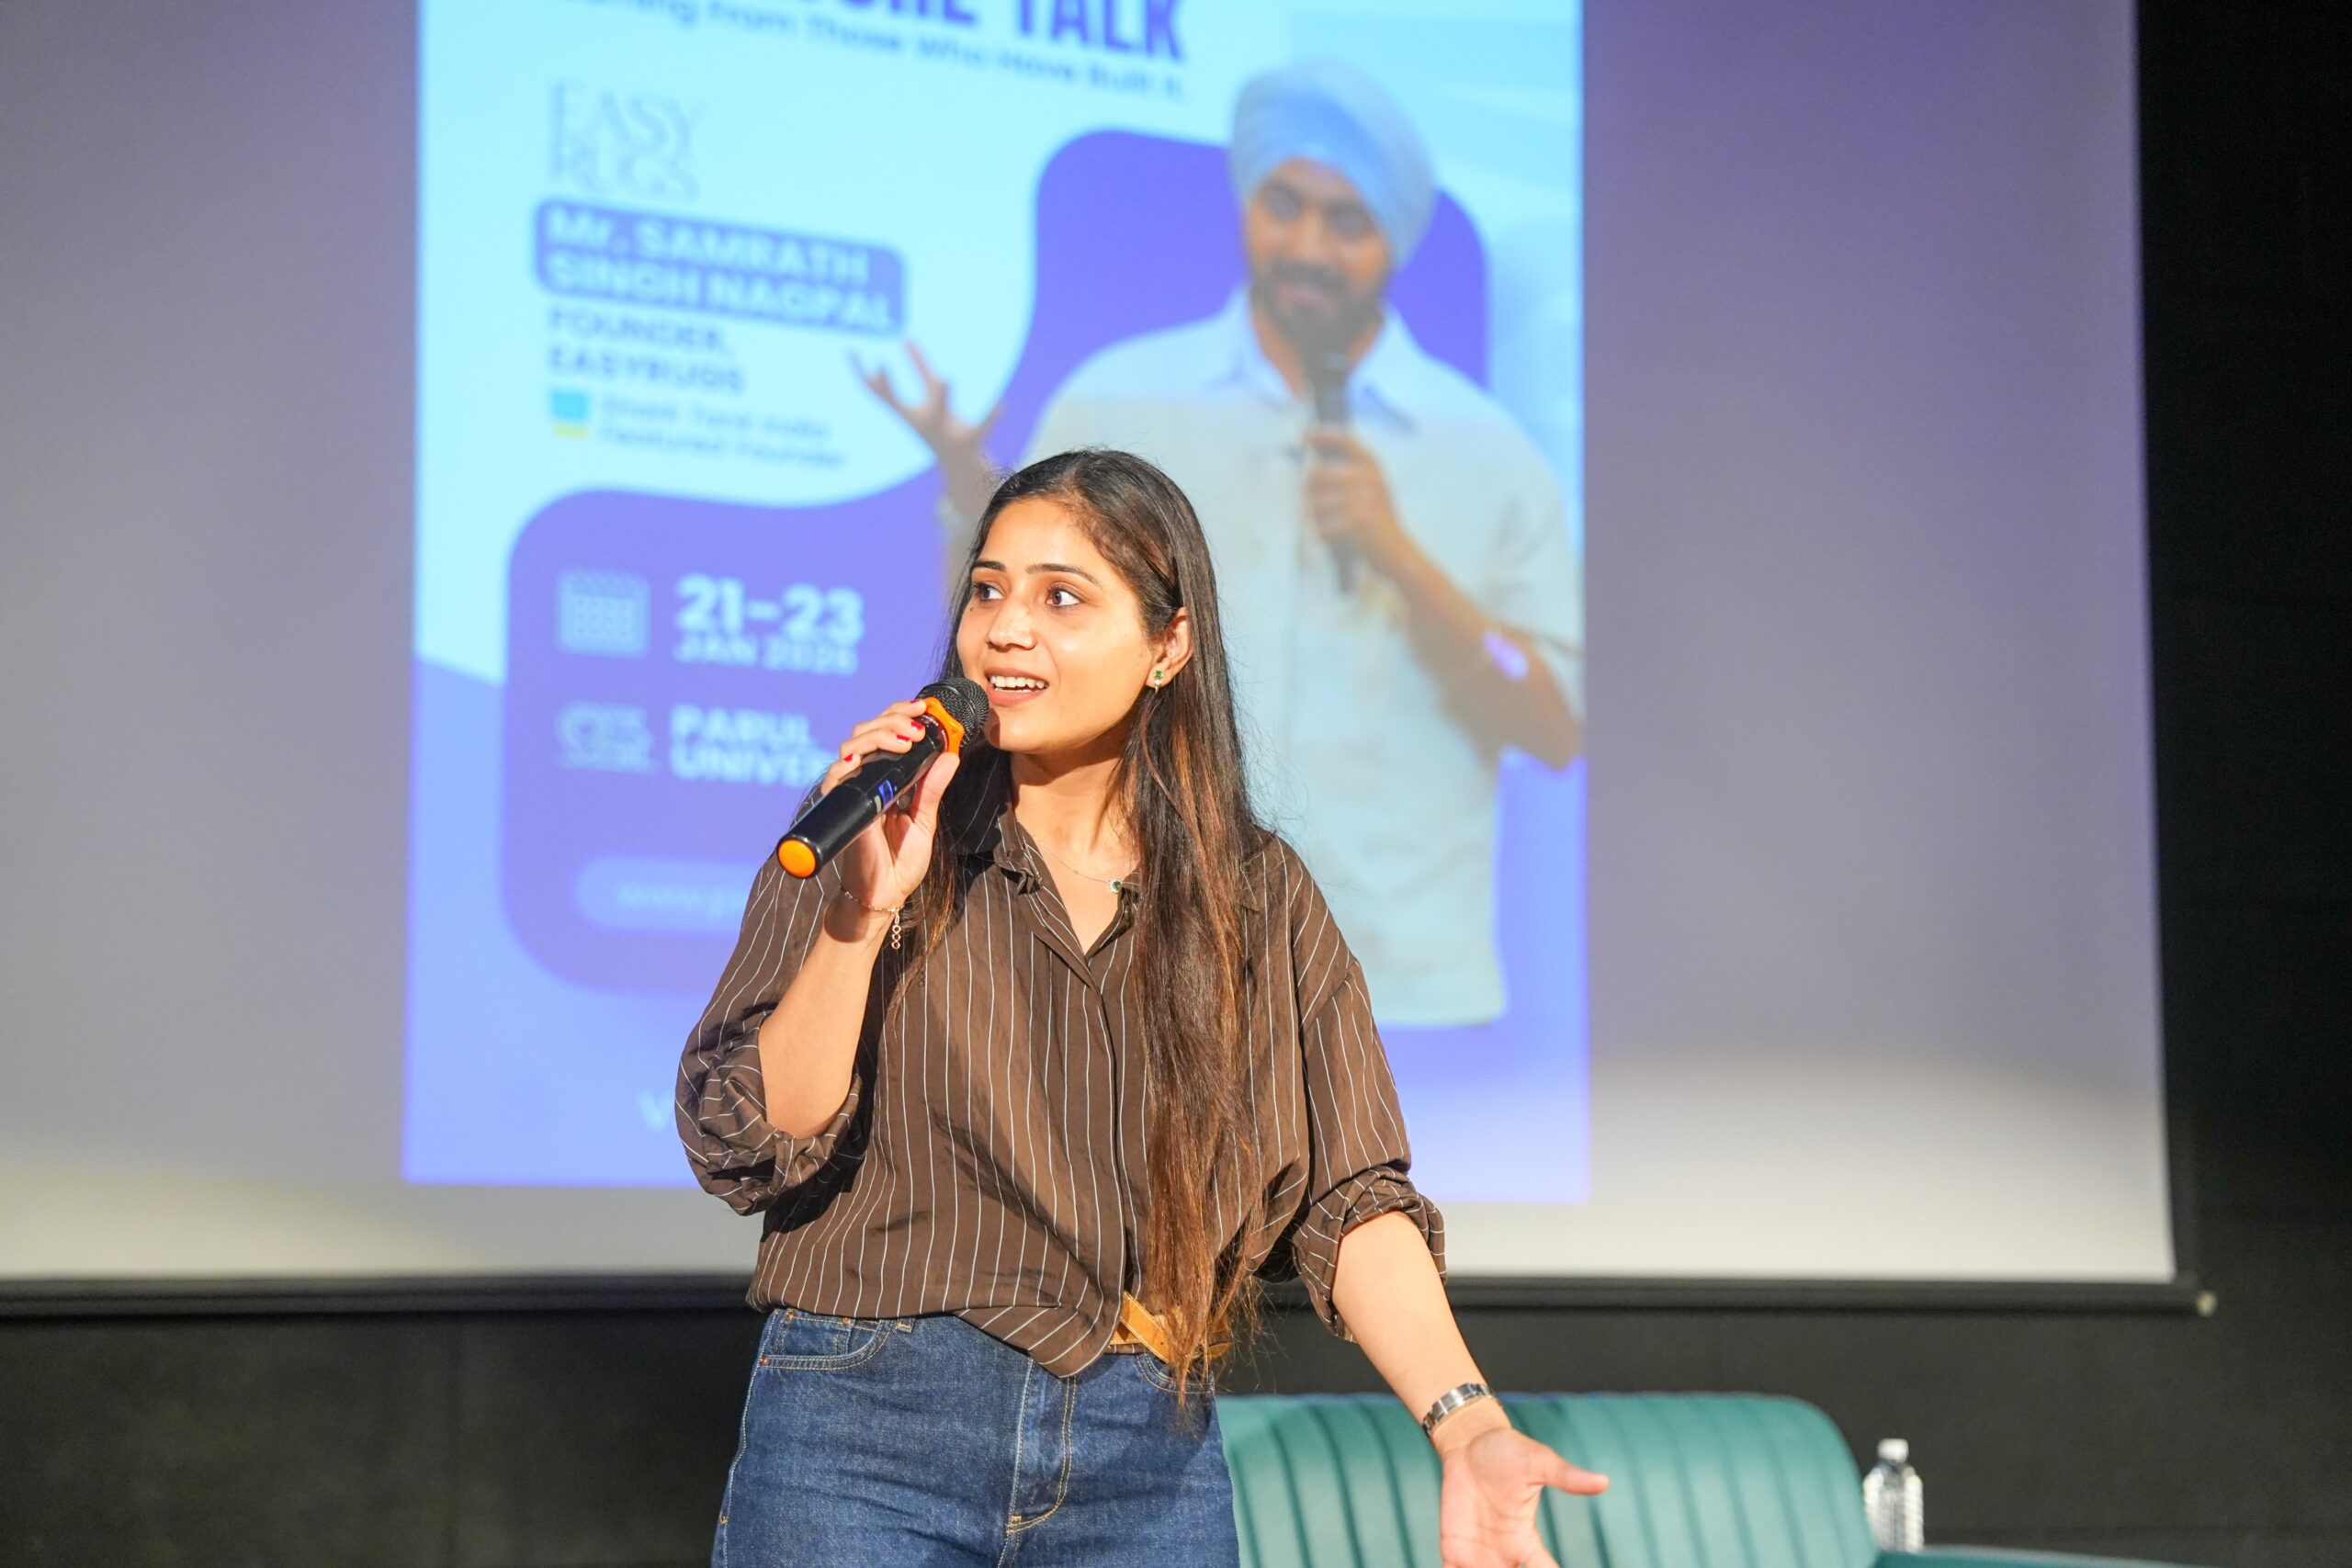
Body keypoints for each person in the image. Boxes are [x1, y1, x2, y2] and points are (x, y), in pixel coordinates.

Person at [677, 449, 1605, 1565]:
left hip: (1142, 1449)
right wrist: (859, 915)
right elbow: (759, 1139)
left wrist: (1470, 1427)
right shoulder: (876, 825)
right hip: (867, 1426)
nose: (1006, 629)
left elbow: (1348, 1195)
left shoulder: (1251, 895)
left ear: (1168, 646)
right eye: (988, 589)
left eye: (1061, 597)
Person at [862, 61, 1584, 1029]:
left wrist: (1401, 563)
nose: (1308, 245)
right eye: (1283, 204)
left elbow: (1553, 722)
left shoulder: (1488, 453)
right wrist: (968, 493)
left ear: (1394, 242)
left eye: (1348, 221)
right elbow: (1017, 639)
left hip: (1408, 992)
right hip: (1156, 974)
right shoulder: (1121, 398)